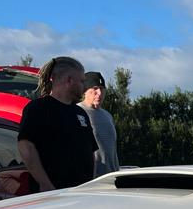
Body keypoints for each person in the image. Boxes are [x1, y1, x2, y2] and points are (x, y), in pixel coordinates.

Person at [16, 56, 97, 191]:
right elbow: (26, 146)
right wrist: (45, 184)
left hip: (81, 194)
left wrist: (90, 184)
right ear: (69, 80)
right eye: (82, 81)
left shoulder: (80, 113)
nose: (84, 87)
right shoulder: (38, 109)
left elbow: (91, 151)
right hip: (52, 195)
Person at [79, 71, 120, 177]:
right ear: (85, 90)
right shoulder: (77, 112)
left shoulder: (107, 115)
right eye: (95, 89)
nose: (99, 93)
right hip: (91, 179)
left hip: (112, 176)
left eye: (102, 89)